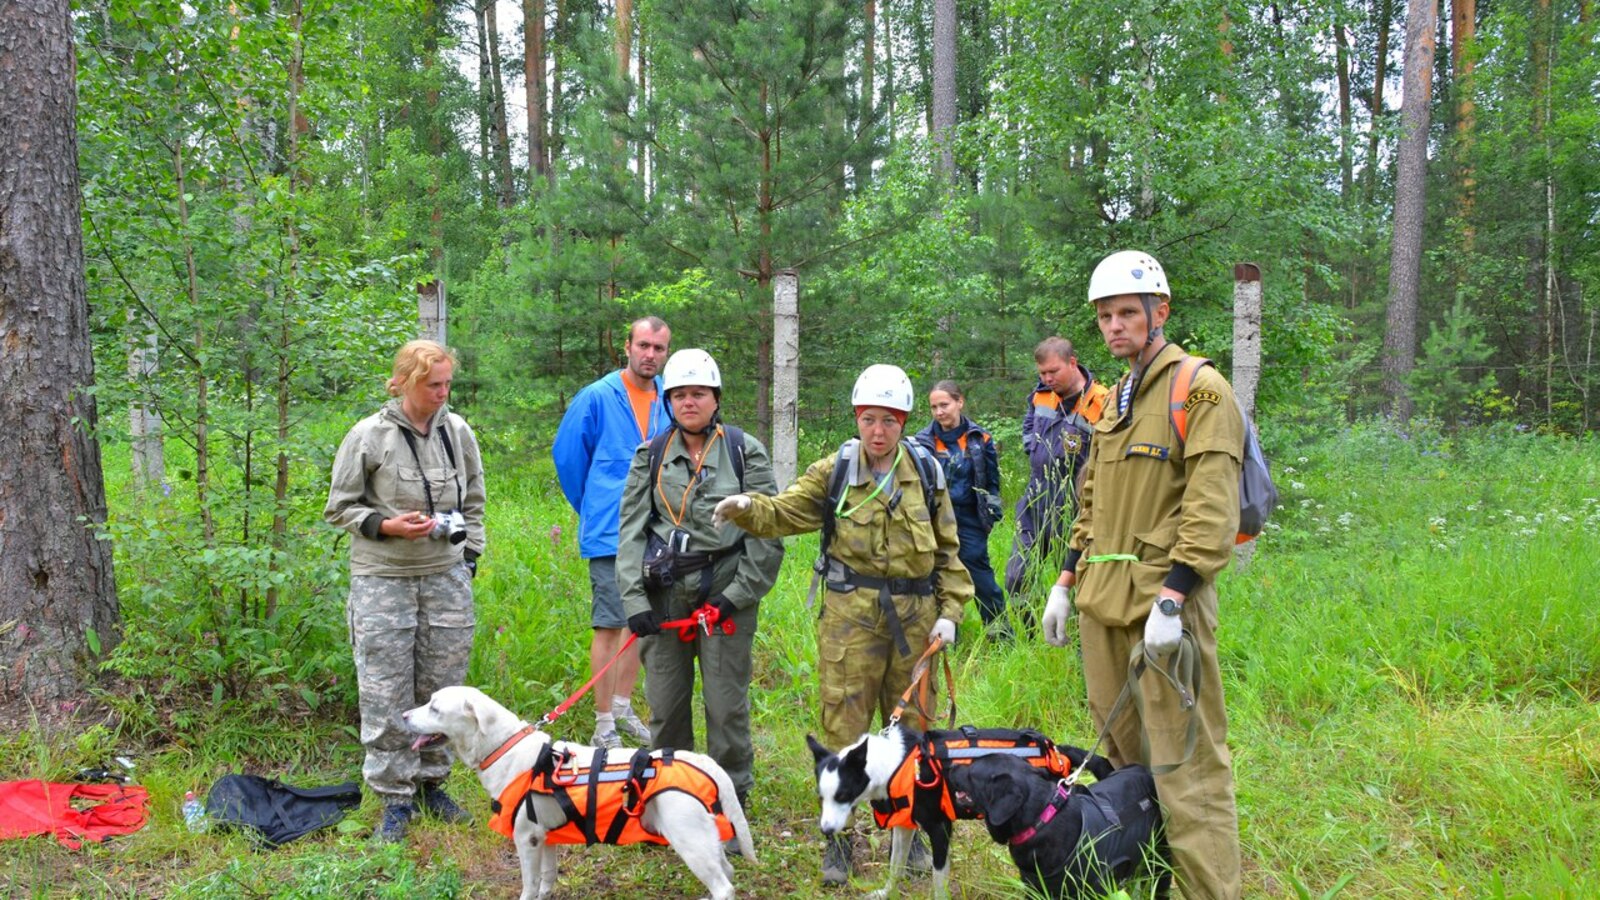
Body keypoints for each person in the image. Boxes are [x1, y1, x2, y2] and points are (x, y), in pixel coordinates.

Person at [712, 363, 973, 885]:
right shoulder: (833, 471)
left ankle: (913, 830)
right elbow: (785, 512)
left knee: (913, 735)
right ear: (857, 418)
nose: (878, 431)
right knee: (844, 728)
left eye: (889, 421)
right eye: (869, 420)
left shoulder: (928, 474)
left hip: (916, 621)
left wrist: (950, 614)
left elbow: (949, 553)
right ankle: (841, 841)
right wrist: (746, 507)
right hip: (849, 623)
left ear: (904, 422)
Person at [1042, 250, 1244, 899]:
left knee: (1188, 769)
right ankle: (1154, 888)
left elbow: (1211, 505)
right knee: (1128, 772)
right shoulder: (1114, 399)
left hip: (1163, 611)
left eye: (1128, 312)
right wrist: (1065, 583)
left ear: (1161, 310)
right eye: (1105, 316)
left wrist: (1174, 597)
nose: (1115, 325)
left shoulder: (1200, 388)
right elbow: (1092, 503)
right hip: (1103, 607)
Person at [324, 339, 486, 842]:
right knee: (386, 689)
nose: (442, 393)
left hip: (445, 577)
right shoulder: (368, 436)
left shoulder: (457, 432)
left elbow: (476, 500)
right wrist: (388, 526)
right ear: (405, 382)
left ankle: (433, 785)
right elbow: (339, 507)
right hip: (382, 579)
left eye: (447, 384)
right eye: (433, 385)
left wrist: (469, 558)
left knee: (442, 688)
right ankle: (395, 799)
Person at [616, 349, 784, 810]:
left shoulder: (742, 450)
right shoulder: (650, 455)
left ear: (716, 398)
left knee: (725, 706)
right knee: (666, 708)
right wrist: (634, 603)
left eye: (699, 394)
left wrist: (735, 597)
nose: (689, 402)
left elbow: (767, 531)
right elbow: (629, 531)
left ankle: (730, 799)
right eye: (680, 395)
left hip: (726, 587)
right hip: (665, 595)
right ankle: (672, 797)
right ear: (668, 401)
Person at [552, 316, 671, 749]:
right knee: (609, 623)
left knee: (641, 621)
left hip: (656, 532)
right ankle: (603, 722)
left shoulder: (667, 400)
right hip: (609, 531)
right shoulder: (598, 397)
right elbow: (568, 456)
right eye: (643, 345)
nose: (650, 355)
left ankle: (623, 706)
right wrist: (594, 505)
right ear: (627, 346)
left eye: (659, 348)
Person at [1005, 336, 1109, 598]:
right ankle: (1030, 635)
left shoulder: (1101, 402)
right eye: (1042, 373)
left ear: (1072, 363)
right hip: (1036, 498)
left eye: (1054, 371)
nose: (1048, 378)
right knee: (1017, 576)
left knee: (1074, 585)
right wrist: (1033, 448)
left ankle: (1072, 636)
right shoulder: (1041, 394)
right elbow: (1029, 423)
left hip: (1074, 504)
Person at [912, 380, 1008, 637]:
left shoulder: (980, 438)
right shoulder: (922, 442)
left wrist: (991, 511)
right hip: (933, 519)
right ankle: (941, 636)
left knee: (981, 577)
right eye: (934, 407)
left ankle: (999, 634)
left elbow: (991, 481)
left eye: (944, 405)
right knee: (933, 577)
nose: (939, 412)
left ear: (959, 402)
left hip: (969, 519)